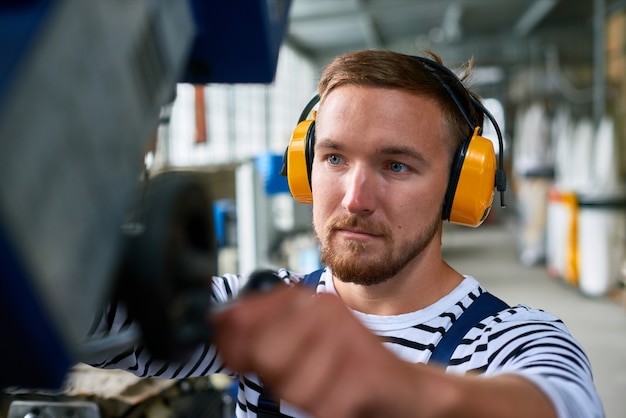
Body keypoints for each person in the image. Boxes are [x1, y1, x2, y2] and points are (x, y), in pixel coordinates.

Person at [88, 49, 603, 417]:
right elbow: (90, 328)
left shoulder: (513, 339)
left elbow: (559, 402)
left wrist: (407, 392)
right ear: (304, 168)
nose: (355, 199)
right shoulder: (259, 304)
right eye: (334, 158)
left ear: (459, 188)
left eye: (397, 166)